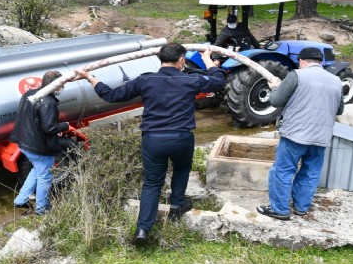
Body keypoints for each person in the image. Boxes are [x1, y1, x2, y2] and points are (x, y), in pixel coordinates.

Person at [74, 43, 226, 245]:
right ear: (181, 60)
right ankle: (177, 206)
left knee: (152, 183)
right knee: (181, 170)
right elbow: (218, 81)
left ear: (160, 59)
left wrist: (89, 77)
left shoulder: (146, 80)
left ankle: (143, 230)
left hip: (153, 139)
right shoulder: (190, 79)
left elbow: (111, 95)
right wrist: (207, 59)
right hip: (181, 137)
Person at [257, 47, 344, 221]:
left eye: (299, 62)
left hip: (295, 134)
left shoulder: (296, 75)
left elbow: (276, 100)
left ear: (302, 61)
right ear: (320, 62)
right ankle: (301, 208)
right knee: (310, 171)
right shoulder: (336, 81)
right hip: (321, 136)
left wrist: (275, 88)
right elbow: (339, 109)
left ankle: (280, 210)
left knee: (282, 171)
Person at [11, 70, 70, 215]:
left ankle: (20, 200)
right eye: (61, 84)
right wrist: (65, 125)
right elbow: (49, 128)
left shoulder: (29, 94)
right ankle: (42, 209)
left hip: (24, 142)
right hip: (39, 147)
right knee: (45, 176)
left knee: (37, 170)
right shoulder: (48, 103)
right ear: (54, 85)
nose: (62, 87)